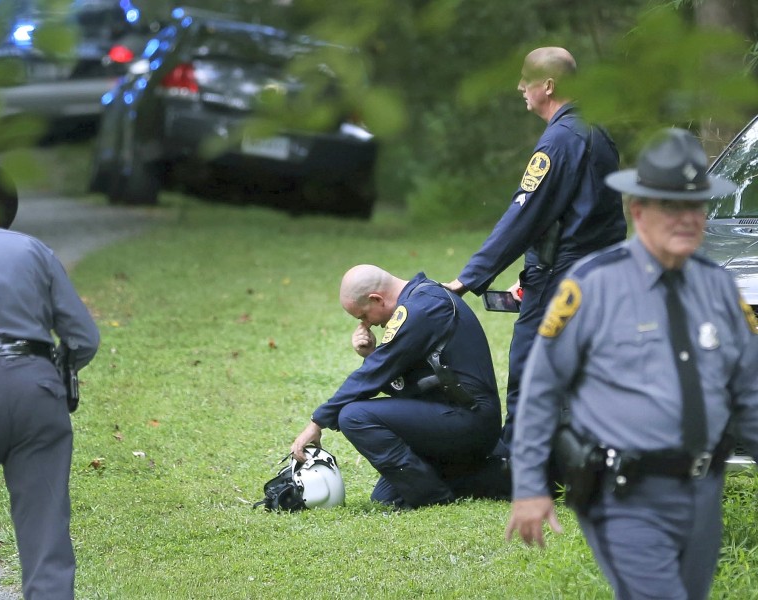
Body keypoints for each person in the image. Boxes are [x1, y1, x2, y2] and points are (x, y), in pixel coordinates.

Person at [505, 128, 758, 599]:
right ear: (638, 211)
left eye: (696, 205)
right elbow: (540, 389)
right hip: (623, 495)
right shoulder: (591, 286)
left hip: (702, 493)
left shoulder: (722, 289)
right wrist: (529, 486)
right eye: (671, 206)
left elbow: (751, 394)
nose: (688, 218)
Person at [445, 46, 627, 458]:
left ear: (548, 85)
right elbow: (597, 215)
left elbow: (523, 214)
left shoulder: (560, 140)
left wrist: (469, 277)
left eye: (526, 79)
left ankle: (516, 458)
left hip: (560, 277)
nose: (519, 87)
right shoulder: (598, 130)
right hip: (600, 272)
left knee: (530, 364)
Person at [0, 160, 100, 599]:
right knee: (45, 530)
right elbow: (84, 338)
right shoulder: (33, 249)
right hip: (38, 389)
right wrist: (54, 374)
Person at [290, 264, 505, 509]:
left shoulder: (422, 308)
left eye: (363, 316)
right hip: (452, 416)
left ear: (376, 299)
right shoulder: (420, 300)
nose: (366, 325)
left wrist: (317, 422)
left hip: (471, 422)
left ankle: (433, 498)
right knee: (387, 497)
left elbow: (373, 376)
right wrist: (372, 354)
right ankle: (492, 475)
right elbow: (408, 387)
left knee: (353, 416)